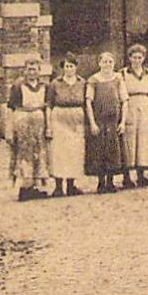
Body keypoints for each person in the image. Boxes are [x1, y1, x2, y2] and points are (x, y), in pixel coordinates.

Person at [7, 59, 51, 201]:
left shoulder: (44, 86)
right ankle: (25, 187)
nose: (32, 72)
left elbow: (47, 107)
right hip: (23, 122)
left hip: (38, 124)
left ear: (39, 71)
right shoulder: (18, 86)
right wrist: (9, 130)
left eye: (35, 69)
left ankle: (35, 186)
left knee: (38, 153)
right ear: (25, 71)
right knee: (24, 153)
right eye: (29, 69)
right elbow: (10, 108)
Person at [119, 45, 148, 188]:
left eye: (140, 57)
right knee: (129, 140)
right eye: (134, 57)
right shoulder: (123, 73)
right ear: (129, 58)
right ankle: (126, 177)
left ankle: (141, 175)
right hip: (129, 105)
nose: (137, 60)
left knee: (143, 140)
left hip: (145, 105)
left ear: (143, 58)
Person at [47, 54, 88, 197]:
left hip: (77, 119)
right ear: (63, 68)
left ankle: (71, 185)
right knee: (59, 152)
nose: (69, 69)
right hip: (59, 118)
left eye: (72, 66)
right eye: (66, 66)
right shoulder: (55, 83)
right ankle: (58, 186)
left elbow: (87, 103)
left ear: (76, 68)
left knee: (74, 152)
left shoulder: (82, 83)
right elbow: (49, 105)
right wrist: (48, 126)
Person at [86, 51, 126, 193]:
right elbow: (88, 102)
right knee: (99, 149)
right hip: (99, 119)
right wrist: (92, 123)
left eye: (110, 62)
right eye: (104, 62)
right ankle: (100, 182)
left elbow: (124, 100)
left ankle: (110, 181)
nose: (107, 64)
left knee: (112, 149)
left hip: (113, 120)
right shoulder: (93, 80)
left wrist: (123, 121)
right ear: (99, 63)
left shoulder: (118, 78)